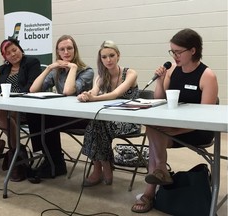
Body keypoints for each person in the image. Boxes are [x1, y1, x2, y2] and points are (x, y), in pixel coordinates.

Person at [131, 28, 218, 213]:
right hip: (171, 127)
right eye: (172, 51)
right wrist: (160, 80)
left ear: (193, 51)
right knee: (153, 127)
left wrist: (178, 130)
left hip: (196, 130)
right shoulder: (172, 69)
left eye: (178, 52)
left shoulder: (207, 75)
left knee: (156, 134)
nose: (175, 56)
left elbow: (206, 119)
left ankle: (150, 192)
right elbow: (159, 99)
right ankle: (160, 169)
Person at [28, 35, 94, 178]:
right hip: (62, 114)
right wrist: (49, 68)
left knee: (46, 119)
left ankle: (54, 162)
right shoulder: (56, 71)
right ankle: (51, 159)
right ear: (58, 52)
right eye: (62, 49)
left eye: (69, 48)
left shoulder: (87, 71)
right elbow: (33, 89)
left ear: (75, 50)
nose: (66, 52)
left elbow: (67, 91)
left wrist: (73, 68)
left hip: (82, 117)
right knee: (34, 114)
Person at [77, 40, 140, 187]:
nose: (108, 60)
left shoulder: (130, 73)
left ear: (118, 55)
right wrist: (86, 95)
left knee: (96, 125)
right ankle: (102, 165)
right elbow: (93, 92)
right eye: (104, 57)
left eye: (111, 55)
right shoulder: (100, 77)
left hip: (129, 121)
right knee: (96, 123)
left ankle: (100, 167)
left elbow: (116, 94)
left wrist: (94, 98)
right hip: (107, 121)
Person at [0, 38, 42, 176]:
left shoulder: (31, 62)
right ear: (4, 57)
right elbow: (0, 88)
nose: (12, 54)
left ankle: (16, 152)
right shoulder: (4, 68)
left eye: (14, 50)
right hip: (6, 107)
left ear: (20, 49)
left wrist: (12, 96)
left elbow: (30, 88)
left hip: (25, 106)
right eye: (8, 53)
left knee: (1, 112)